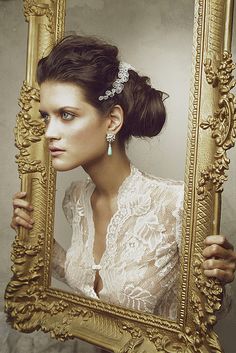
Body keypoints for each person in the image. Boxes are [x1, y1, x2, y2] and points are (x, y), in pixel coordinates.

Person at [11, 35, 236, 320]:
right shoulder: (75, 200)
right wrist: (35, 235)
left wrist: (218, 280)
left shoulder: (176, 204)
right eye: (46, 116)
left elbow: (206, 320)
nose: (49, 133)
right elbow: (92, 285)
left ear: (112, 121)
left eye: (66, 115)